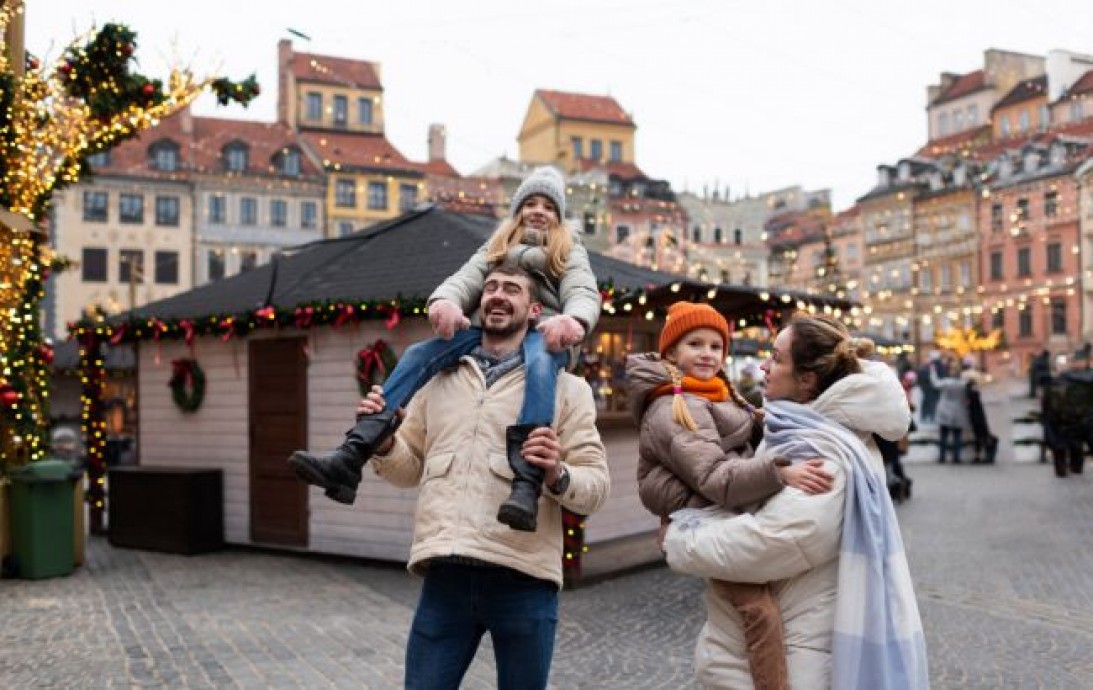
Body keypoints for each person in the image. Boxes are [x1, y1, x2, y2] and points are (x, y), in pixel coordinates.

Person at [289, 166, 601, 532]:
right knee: (420, 353)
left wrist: (574, 321)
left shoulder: (568, 250)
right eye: (530, 203)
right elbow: (465, 279)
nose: (539, 211)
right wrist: (446, 303)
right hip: (490, 329)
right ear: (516, 211)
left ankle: (526, 482)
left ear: (559, 217)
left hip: (547, 333)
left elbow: (582, 290)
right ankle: (352, 454)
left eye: (549, 206)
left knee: (541, 365)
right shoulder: (497, 247)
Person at [355, 264, 609, 689]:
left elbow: (596, 489)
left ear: (534, 311)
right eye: (490, 287)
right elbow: (409, 469)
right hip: (446, 576)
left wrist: (557, 473)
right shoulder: (438, 379)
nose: (497, 295)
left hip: (524, 578)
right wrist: (383, 444)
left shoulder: (568, 390)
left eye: (512, 289)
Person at [661, 314, 927, 689]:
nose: (765, 366)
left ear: (807, 380)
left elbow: (773, 541)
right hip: (780, 642)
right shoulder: (801, 429)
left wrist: (680, 538)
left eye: (777, 358)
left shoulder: (824, 453)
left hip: (793, 652)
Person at [626, 302, 834, 690]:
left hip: (719, 512)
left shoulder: (717, 393)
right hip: (699, 517)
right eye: (695, 344)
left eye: (715, 346)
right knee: (759, 612)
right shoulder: (676, 405)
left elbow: (745, 435)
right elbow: (713, 476)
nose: (707, 354)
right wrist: (779, 472)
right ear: (672, 352)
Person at [931, 356, 969, 463]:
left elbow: (935, 383)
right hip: (958, 411)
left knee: (944, 435)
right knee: (957, 436)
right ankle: (956, 457)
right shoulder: (963, 384)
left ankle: (942, 457)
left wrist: (932, 371)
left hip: (945, 411)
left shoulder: (946, 382)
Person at [963, 366, 997, 464]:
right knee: (982, 436)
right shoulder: (975, 391)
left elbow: (968, 403)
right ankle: (986, 455)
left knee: (979, 437)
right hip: (980, 416)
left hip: (975, 417)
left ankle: (980, 455)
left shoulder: (969, 391)